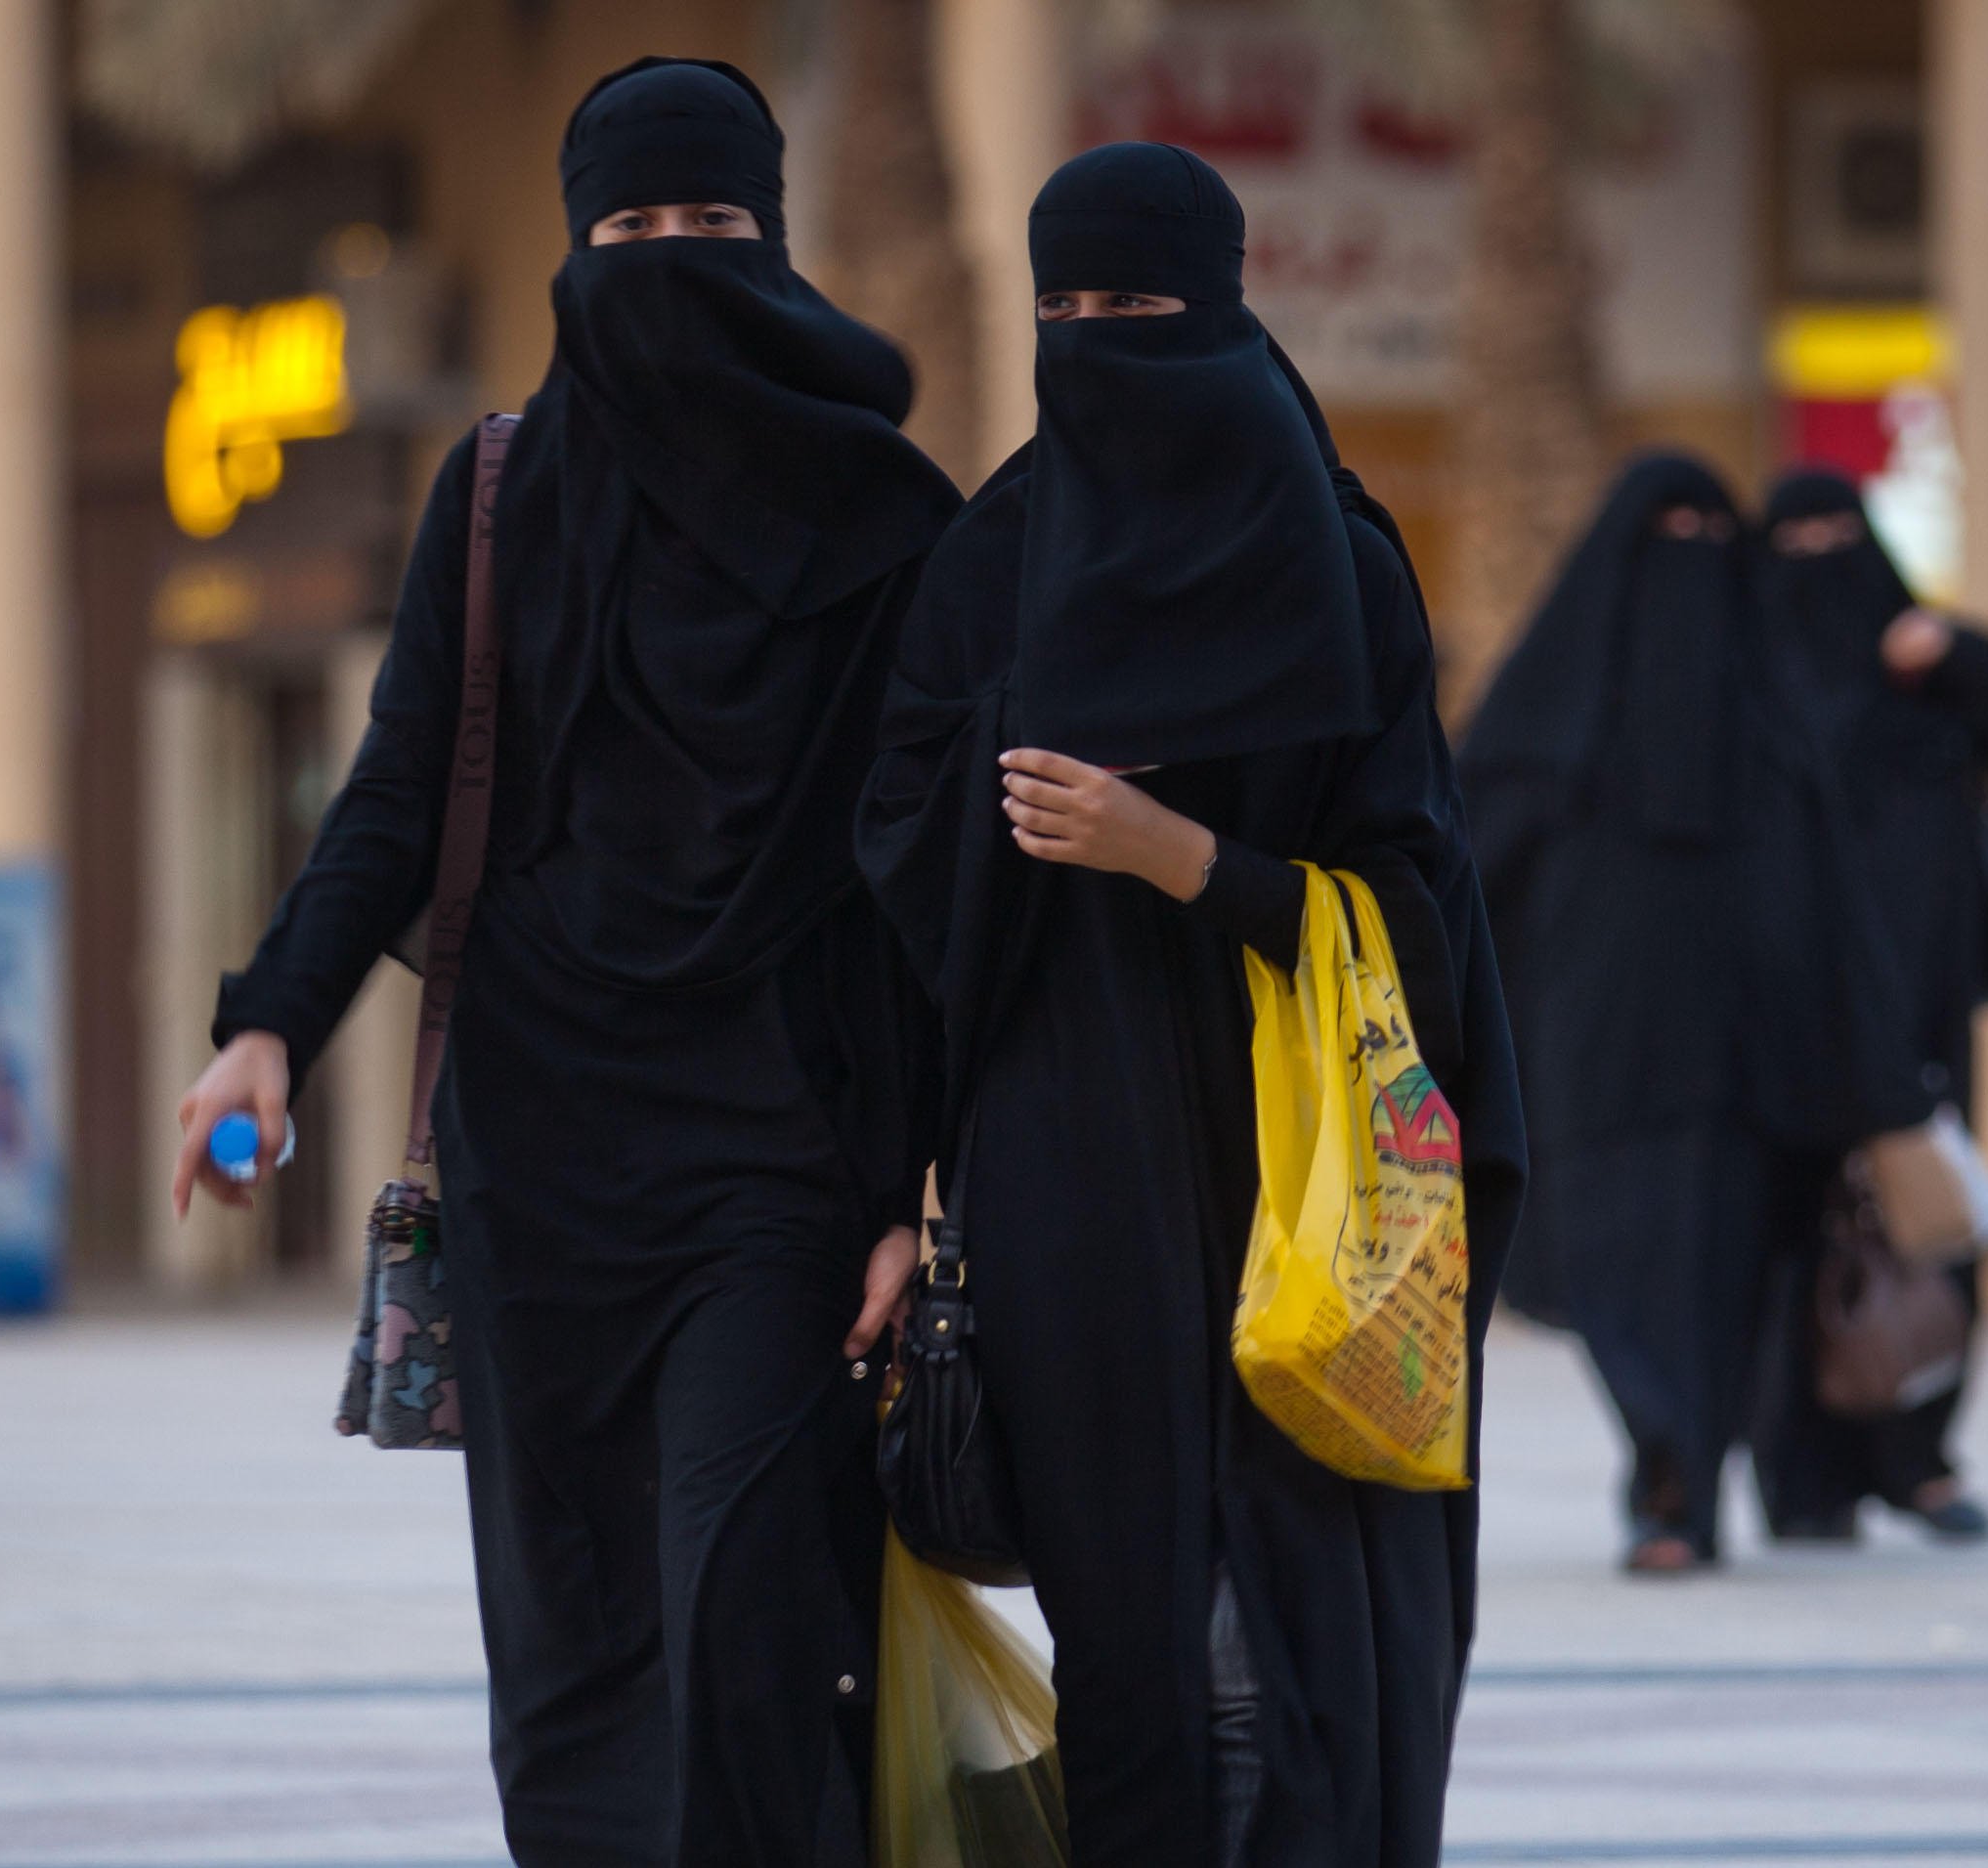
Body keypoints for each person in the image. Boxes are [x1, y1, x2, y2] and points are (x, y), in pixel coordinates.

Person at [171, 58, 957, 1867]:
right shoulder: (502, 490)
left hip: (786, 1162)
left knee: (753, 1606)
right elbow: (398, 784)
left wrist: (926, 1184)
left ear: (775, 240)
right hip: (547, 1159)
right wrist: (270, 1023)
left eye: (710, 226)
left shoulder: (901, 525)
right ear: (568, 250)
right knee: (572, 1638)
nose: (668, 263)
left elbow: (934, 902)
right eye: (627, 230)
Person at [857, 143, 1525, 1868]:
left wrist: (1180, 856)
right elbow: (895, 898)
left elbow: (1422, 921)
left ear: (1222, 311)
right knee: (1133, 1661)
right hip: (1064, 1187)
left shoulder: (1345, 570)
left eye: (1136, 307)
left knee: (1299, 1656)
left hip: (1297, 1185)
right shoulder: (986, 570)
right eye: (1061, 309)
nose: (1095, 344)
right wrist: (888, 1194)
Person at [1457, 455, 1923, 1576]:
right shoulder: (1548, 719)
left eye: (1715, 533)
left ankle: (1681, 1483)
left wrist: (1871, 1068)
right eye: (1666, 531)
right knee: (1615, 1270)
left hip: (1754, 1071)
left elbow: (1839, 903)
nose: (1692, 559)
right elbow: (1461, 868)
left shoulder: (1777, 718)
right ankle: (1667, 1461)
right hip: (1594, 1057)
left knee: (1729, 1281)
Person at [1746, 467, 1988, 1546]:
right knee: (1796, 1238)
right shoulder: (1751, 679)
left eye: (1835, 534)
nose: (1816, 558)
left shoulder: (1925, 675)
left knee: (1931, 1216)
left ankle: (1920, 1458)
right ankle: (1806, 1478)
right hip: (1786, 1010)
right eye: (1789, 539)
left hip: (1923, 1004)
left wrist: (1955, 655)